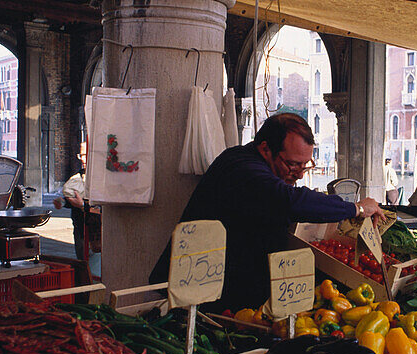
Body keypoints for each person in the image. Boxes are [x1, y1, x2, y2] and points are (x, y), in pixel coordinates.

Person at [149, 113, 385, 312]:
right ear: (265, 149)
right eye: (293, 164)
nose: (300, 174)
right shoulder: (242, 167)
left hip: (233, 284)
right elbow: (289, 201)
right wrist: (356, 208)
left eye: (305, 165)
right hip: (201, 286)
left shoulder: (260, 167)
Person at [54, 144, 87, 260]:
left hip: (96, 233)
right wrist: (62, 202)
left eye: (85, 155)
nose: (82, 159)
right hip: (80, 229)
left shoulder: (102, 179)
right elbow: (72, 200)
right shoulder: (76, 178)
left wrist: (82, 206)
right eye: (81, 155)